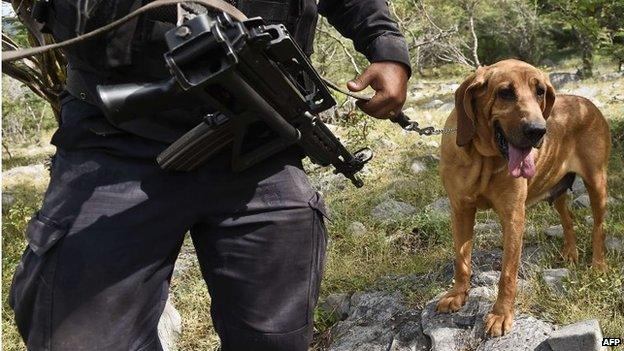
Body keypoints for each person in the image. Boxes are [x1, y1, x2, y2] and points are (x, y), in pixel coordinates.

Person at [9, 0, 410, 350]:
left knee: (276, 338)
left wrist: (385, 44)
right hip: (116, 137)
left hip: (263, 137)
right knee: (80, 338)